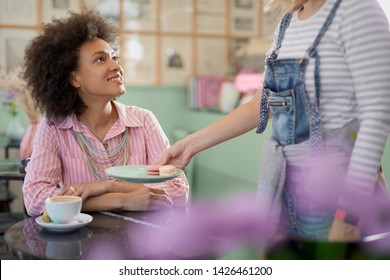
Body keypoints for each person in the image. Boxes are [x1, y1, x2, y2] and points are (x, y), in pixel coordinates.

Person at [149, 0, 390, 242]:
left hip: (339, 195)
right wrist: (190, 145)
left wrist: (348, 217)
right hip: (285, 186)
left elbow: (377, 116)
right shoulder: (287, 25)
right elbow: (261, 104)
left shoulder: (357, 9)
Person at [22, 9, 189, 217]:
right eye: (101, 60)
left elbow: (178, 190)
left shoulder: (144, 120)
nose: (116, 66)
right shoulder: (53, 127)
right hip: (82, 244)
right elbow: (35, 199)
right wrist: (122, 200)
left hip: (144, 240)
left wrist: (106, 187)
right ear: (74, 78)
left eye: (114, 57)